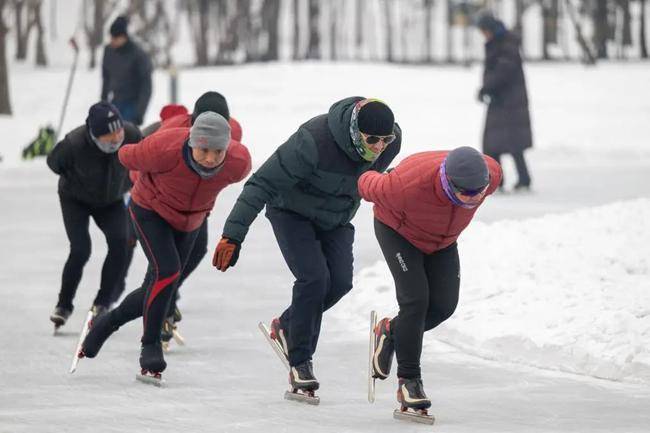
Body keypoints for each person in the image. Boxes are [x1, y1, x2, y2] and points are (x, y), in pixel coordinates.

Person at [213, 97, 401, 393]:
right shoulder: (312, 141)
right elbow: (260, 183)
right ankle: (300, 361)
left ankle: (287, 325)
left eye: (385, 139)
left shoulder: (391, 142)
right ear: (354, 130)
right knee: (314, 279)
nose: (379, 146)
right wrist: (233, 235)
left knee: (339, 283)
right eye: (372, 139)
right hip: (291, 213)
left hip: (336, 220)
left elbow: (371, 180)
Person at [79, 112, 251, 377]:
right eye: (203, 150)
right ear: (192, 143)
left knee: (158, 287)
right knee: (168, 272)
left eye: (218, 152)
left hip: (190, 221)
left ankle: (106, 324)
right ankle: (150, 346)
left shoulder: (238, 164)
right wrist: (140, 180)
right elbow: (125, 155)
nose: (210, 158)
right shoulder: (163, 148)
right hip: (149, 211)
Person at [358, 146, 502, 411]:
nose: (472, 200)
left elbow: (485, 177)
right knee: (416, 300)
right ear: (448, 181)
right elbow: (366, 183)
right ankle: (409, 382)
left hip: (443, 241)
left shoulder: (490, 174)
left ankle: (391, 333)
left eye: (478, 194)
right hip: (398, 232)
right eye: (464, 194)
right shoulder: (403, 185)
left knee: (444, 306)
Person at [117, 91, 246, 344]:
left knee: (197, 250)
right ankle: (160, 310)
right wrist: (138, 198)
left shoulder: (233, 134)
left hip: (195, 205)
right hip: (156, 200)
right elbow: (141, 163)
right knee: (164, 266)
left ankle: (166, 297)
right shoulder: (173, 130)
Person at [46, 102, 142, 328]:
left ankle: (103, 302)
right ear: (94, 136)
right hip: (75, 199)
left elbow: (143, 157)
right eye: (109, 137)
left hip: (111, 200)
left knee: (121, 243)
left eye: (118, 132)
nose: (117, 138)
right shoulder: (73, 144)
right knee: (81, 249)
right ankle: (64, 305)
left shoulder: (132, 134)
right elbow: (53, 163)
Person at [476, 12, 532, 192]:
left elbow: (503, 70)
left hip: (509, 102)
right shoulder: (502, 42)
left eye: (484, 30)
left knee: (501, 143)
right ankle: (505, 180)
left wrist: (487, 87)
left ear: (490, 29)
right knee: (499, 143)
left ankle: (506, 181)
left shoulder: (505, 43)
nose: (483, 35)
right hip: (503, 101)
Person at [101, 15, 152, 126]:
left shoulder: (138, 55)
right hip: (115, 102)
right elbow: (106, 77)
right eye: (111, 37)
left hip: (132, 105)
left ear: (124, 37)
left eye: (115, 38)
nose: (112, 41)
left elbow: (146, 86)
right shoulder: (109, 51)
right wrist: (103, 103)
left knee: (127, 138)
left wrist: (139, 112)